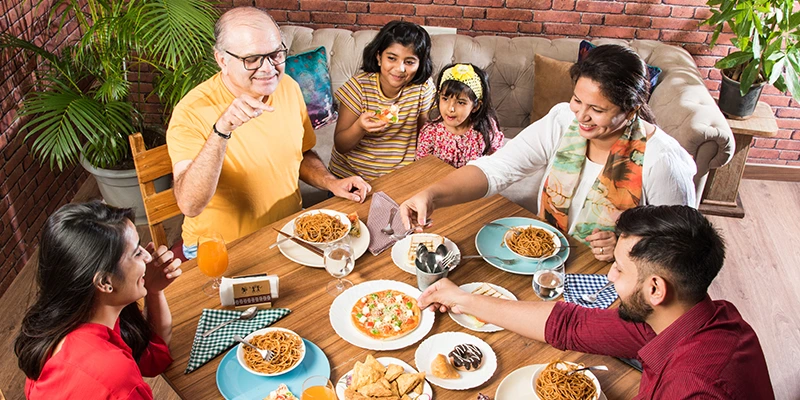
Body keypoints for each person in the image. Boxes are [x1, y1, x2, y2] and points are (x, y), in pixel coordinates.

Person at [419, 205, 773, 399]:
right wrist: (463, 299)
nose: (608, 278)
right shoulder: (689, 315)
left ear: (655, 289)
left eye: (618, 269)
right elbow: (570, 326)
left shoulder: (695, 389)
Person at [400, 45, 697, 262]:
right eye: (577, 100)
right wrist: (431, 195)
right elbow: (497, 168)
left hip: (612, 280)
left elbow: (684, 248)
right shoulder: (562, 121)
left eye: (597, 110)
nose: (582, 116)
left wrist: (627, 244)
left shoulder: (663, 161)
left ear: (631, 109)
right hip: (542, 264)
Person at [167, 7, 371, 259]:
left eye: (275, 54)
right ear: (222, 60)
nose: (268, 68)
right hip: (223, 249)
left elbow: (301, 154)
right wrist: (221, 131)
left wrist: (332, 183)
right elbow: (190, 205)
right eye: (252, 59)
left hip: (289, 234)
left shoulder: (288, 87)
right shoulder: (191, 110)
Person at [15, 201, 183, 399]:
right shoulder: (114, 376)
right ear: (104, 282)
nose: (148, 257)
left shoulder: (72, 320)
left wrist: (152, 291)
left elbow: (155, 358)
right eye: (137, 252)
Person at [328, 20, 436, 181]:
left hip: (398, 178)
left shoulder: (423, 87)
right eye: (392, 58)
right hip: (351, 177)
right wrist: (360, 127)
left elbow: (423, 136)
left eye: (409, 62)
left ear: (420, 64)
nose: (399, 69)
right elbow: (341, 145)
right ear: (379, 57)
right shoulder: (359, 87)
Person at [416, 63, 504, 168]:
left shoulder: (485, 130)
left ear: (475, 106)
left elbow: (496, 161)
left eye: (461, 102)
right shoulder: (430, 133)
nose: (450, 108)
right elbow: (422, 169)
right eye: (445, 99)